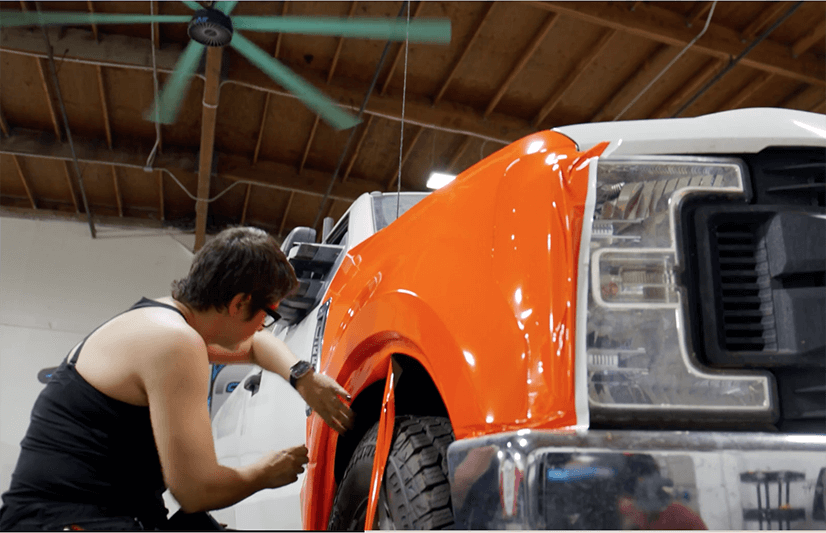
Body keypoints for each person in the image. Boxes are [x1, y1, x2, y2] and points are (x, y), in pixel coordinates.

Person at [0, 226, 354, 531]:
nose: (264, 325)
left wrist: (302, 377)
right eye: (268, 313)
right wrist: (264, 473)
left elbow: (256, 346)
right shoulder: (174, 343)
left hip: (81, 515)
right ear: (239, 304)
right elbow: (195, 492)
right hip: (60, 522)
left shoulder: (162, 321)